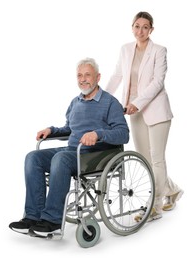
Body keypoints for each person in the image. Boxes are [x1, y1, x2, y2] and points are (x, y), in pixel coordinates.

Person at [9, 57, 129, 237]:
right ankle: (33, 217)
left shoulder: (110, 103)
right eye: (79, 75)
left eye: (87, 75)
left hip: (96, 154)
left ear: (98, 77)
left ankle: (52, 220)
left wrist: (98, 134)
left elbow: (123, 134)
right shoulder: (76, 102)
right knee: (33, 157)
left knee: (60, 159)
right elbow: (69, 129)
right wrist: (51, 130)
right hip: (73, 151)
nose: (83, 79)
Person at [105, 11, 183, 222]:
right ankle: (172, 189)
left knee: (157, 159)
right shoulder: (125, 50)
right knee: (146, 160)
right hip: (132, 111)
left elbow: (157, 82)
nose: (140, 31)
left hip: (156, 111)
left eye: (145, 27)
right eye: (137, 26)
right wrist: (102, 99)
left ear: (151, 30)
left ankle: (154, 207)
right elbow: (117, 76)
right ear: (132, 27)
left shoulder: (159, 51)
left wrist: (137, 103)